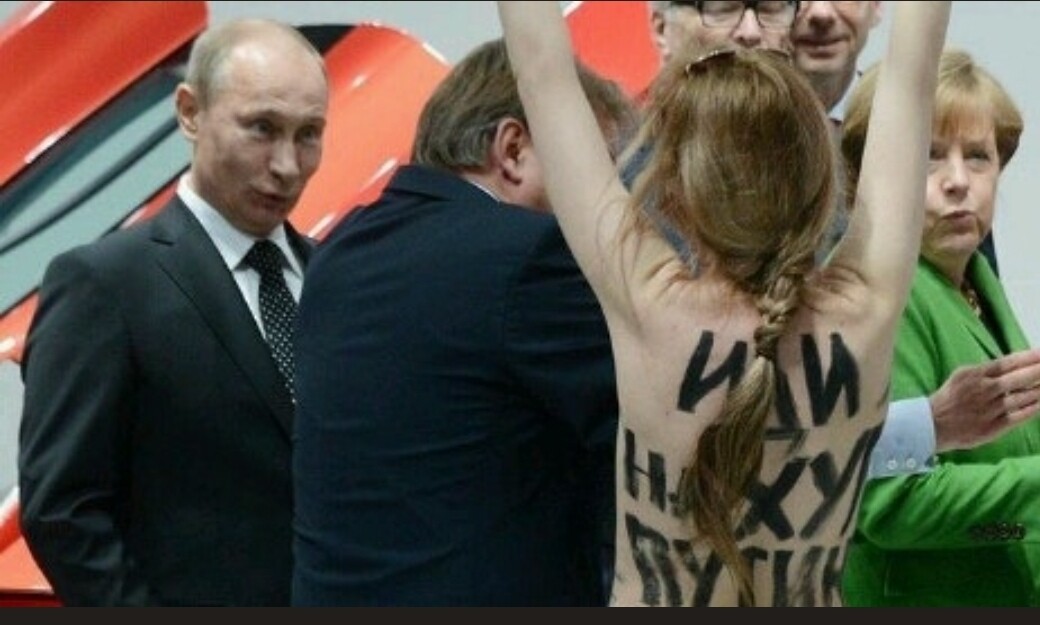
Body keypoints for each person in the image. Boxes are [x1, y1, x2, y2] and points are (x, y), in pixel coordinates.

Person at [498, 0, 951, 607]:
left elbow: (542, 72)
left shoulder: (650, 301)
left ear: (677, 184)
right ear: (823, 177)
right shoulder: (863, 309)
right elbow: (911, 78)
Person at [291, 38, 638, 606]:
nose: (608, 206)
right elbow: (660, 421)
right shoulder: (529, 256)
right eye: (598, 171)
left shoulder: (340, 252)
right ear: (513, 149)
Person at [17, 18, 328, 606]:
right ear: (190, 112)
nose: (288, 165)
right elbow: (63, 511)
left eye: (308, 133)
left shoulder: (337, 278)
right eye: (262, 128)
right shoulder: (105, 285)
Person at [644, 0, 1028, 475]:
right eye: (723, 8)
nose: (957, 180)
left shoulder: (933, 199)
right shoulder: (638, 192)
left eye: (977, 157)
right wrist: (927, 426)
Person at [839, 48, 1040, 606]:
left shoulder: (973, 275)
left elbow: (1012, 441)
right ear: (870, 171)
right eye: (928, 156)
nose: (957, 181)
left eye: (978, 157)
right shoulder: (882, 290)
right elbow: (890, 506)